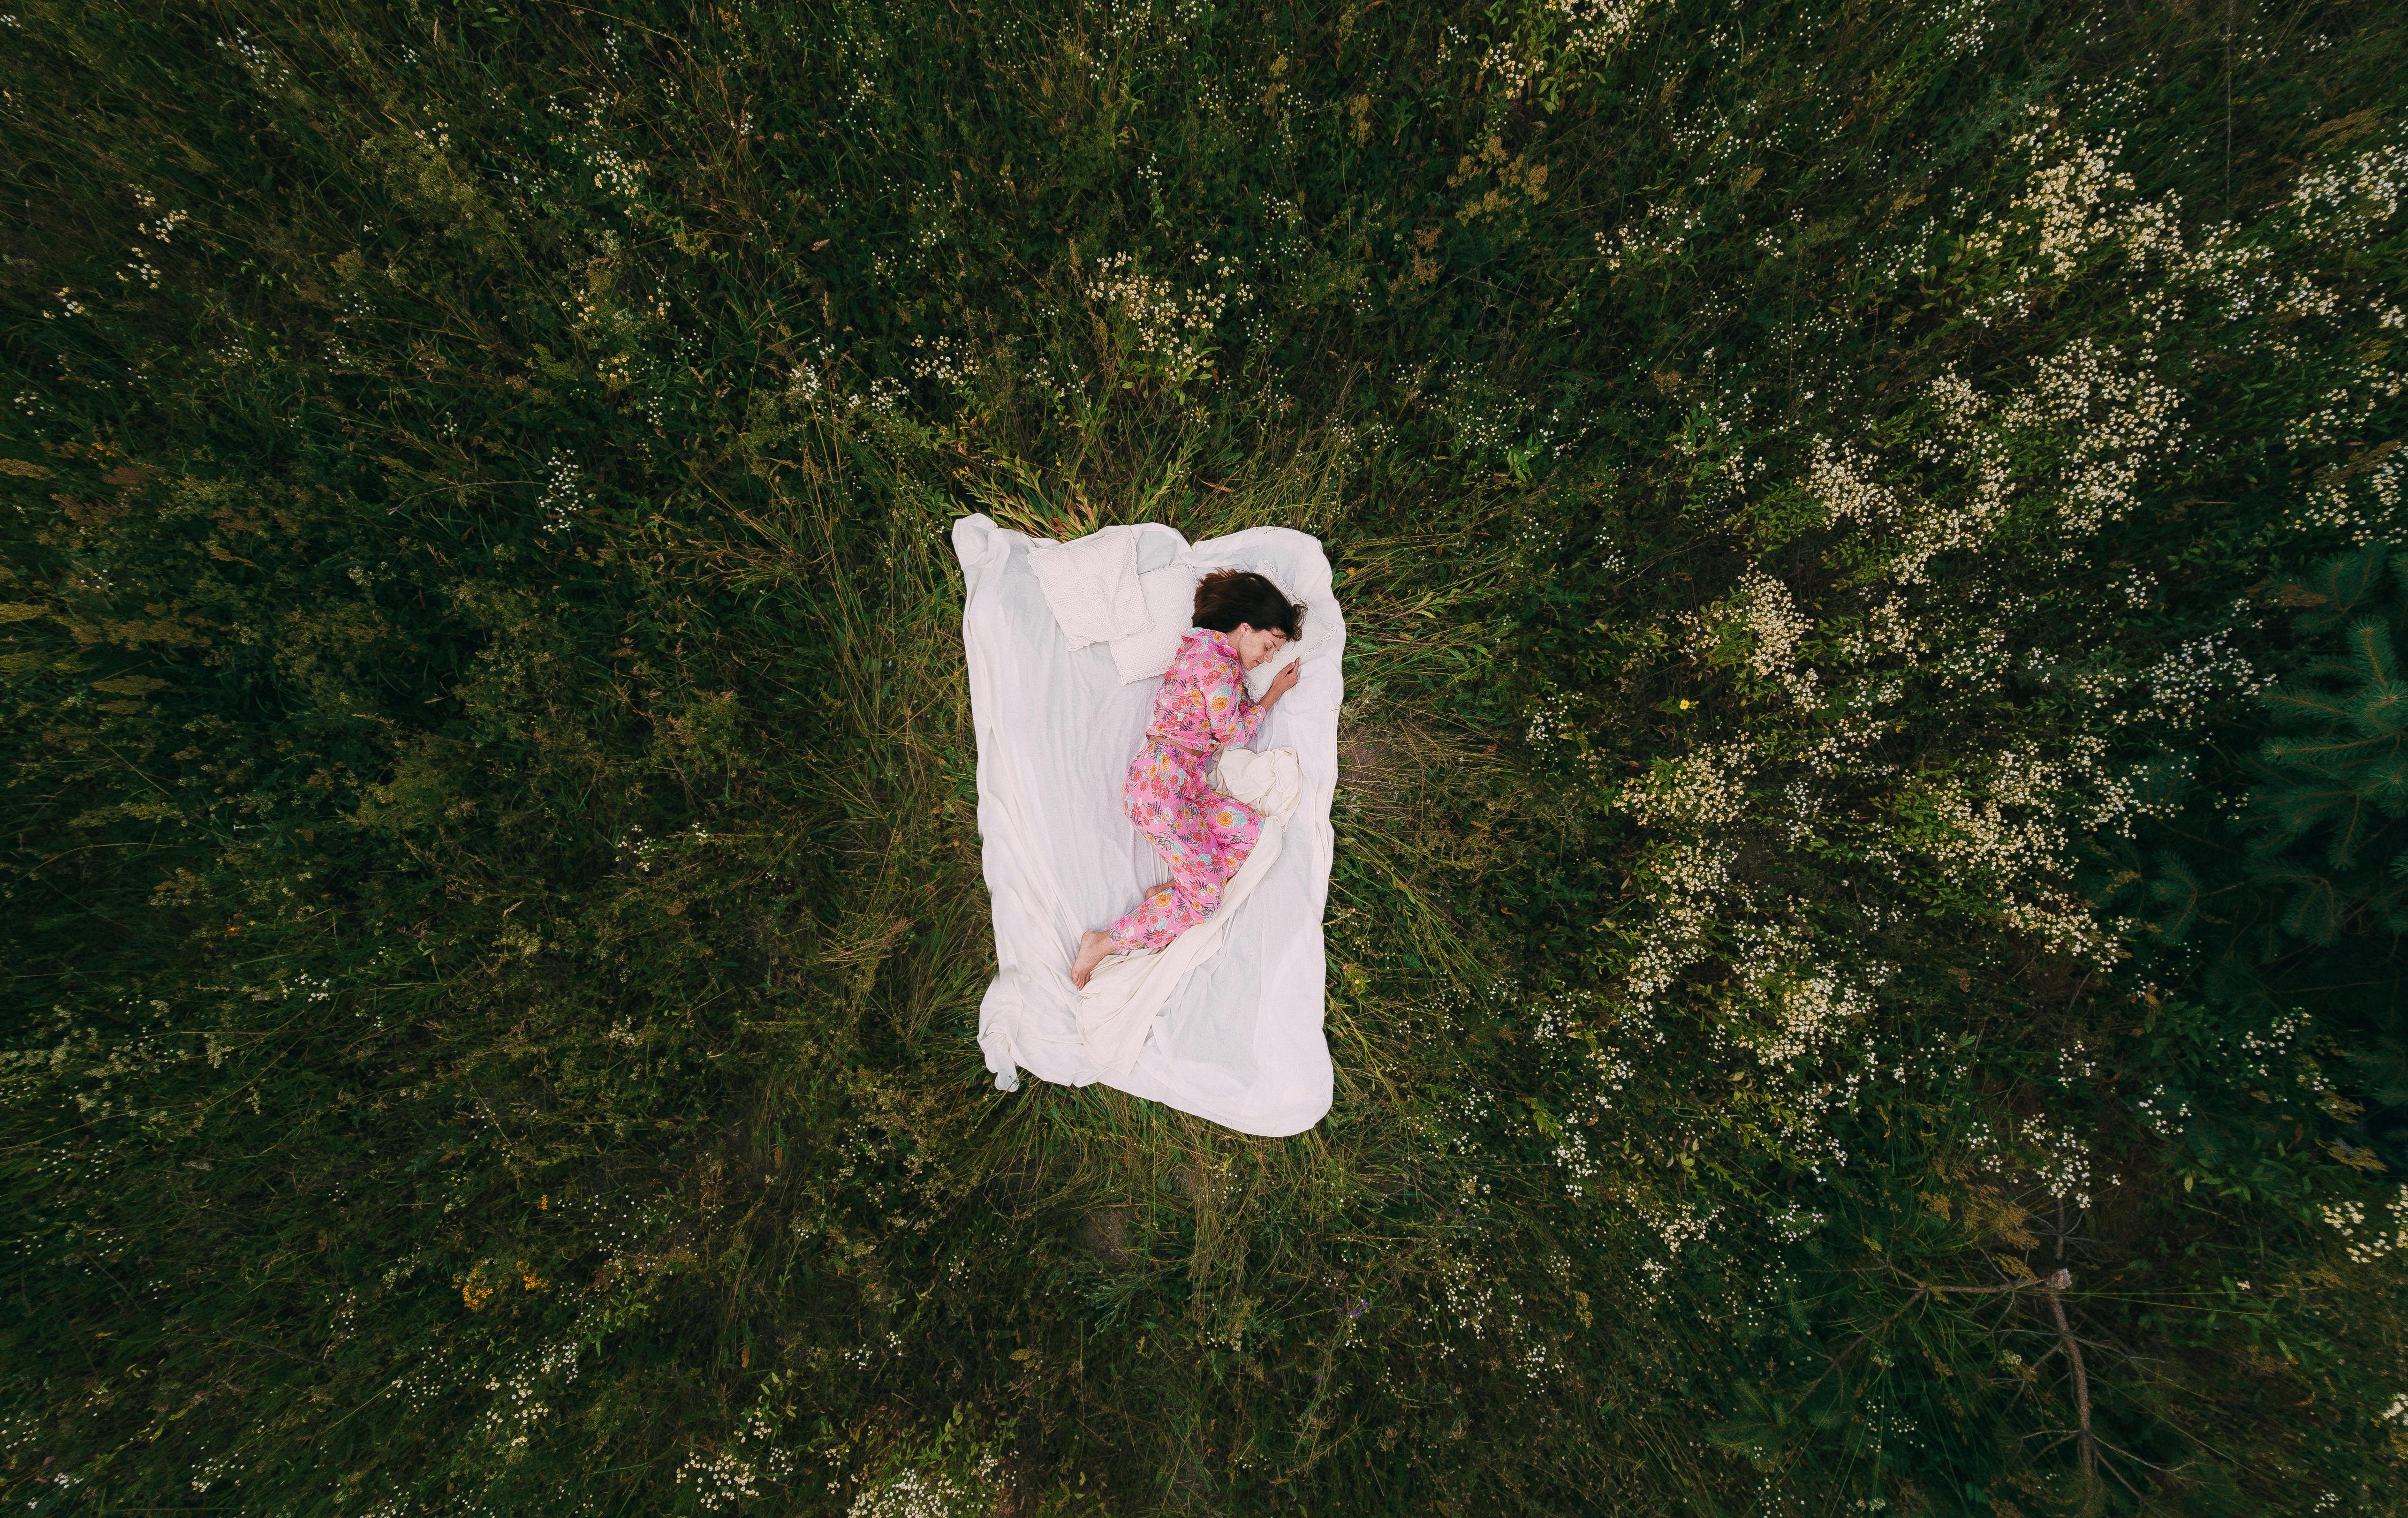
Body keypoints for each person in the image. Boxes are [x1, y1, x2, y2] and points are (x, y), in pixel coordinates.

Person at [1070, 569, 1303, 989]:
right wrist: (1274, 694)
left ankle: (1175, 892)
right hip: (1160, 792)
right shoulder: (1213, 661)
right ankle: (1103, 942)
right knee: (1209, 900)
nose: (1268, 658)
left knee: (1257, 836)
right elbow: (1233, 734)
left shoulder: (1212, 655)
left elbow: (1224, 722)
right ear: (1245, 627)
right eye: (1269, 645)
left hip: (1183, 786)